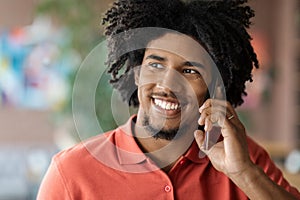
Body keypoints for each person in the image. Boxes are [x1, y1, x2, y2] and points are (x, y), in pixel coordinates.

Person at [37, 0, 300, 199]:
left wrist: (243, 173)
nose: (167, 85)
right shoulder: (71, 174)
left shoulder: (245, 158)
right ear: (137, 75)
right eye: (157, 65)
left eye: (190, 71)